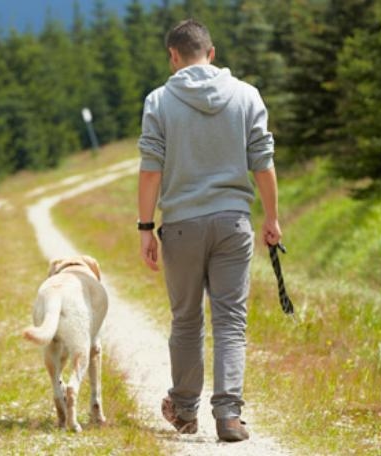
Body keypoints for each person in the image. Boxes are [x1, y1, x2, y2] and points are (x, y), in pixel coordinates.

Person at [136, 18, 281, 442]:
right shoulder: (248, 96)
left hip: (181, 225)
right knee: (231, 320)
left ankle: (183, 409)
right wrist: (271, 218)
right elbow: (263, 162)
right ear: (212, 54)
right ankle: (230, 416)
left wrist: (146, 228)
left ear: (174, 57)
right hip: (234, 223)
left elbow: (150, 171)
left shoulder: (159, 101)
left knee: (185, 319)